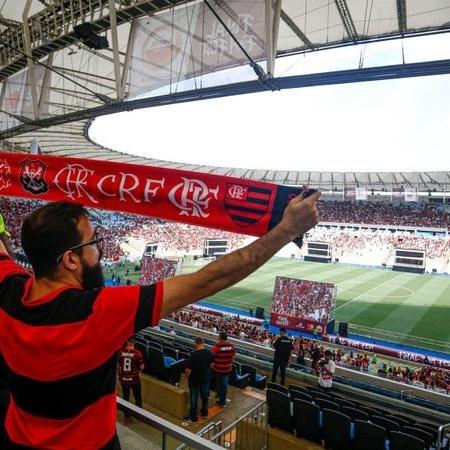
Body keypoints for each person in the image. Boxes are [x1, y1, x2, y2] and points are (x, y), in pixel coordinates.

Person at [0, 190, 319, 449]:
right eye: (93, 243)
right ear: (71, 259)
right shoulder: (97, 312)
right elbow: (207, 281)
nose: (100, 249)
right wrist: (287, 230)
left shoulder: (8, 292)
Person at [184, 337, 213, 423]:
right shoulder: (209, 353)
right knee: (205, 396)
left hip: (194, 380)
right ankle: (205, 413)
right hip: (205, 378)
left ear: (196, 343)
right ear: (203, 343)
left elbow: (188, 370)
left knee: (194, 398)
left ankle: (193, 418)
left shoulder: (193, 355)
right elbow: (212, 365)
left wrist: (186, 377)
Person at [117, 338, 145, 425]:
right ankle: (139, 415)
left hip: (124, 379)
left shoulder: (121, 353)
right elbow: (142, 367)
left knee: (125, 397)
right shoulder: (137, 353)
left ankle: (127, 417)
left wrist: (120, 375)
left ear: (126, 342)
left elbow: (118, 365)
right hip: (134, 379)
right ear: (135, 342)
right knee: (137, 397)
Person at [211, 331, 236, 407]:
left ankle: (220, 399)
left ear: (220, 337)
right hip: (227, 369)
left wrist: (213, 365)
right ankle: (222, 401)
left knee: (219, 383)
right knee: (224, 385)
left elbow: (211, 358)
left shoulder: (216, 347)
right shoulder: (231, 346)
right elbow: (233, 358)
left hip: (217, 369)